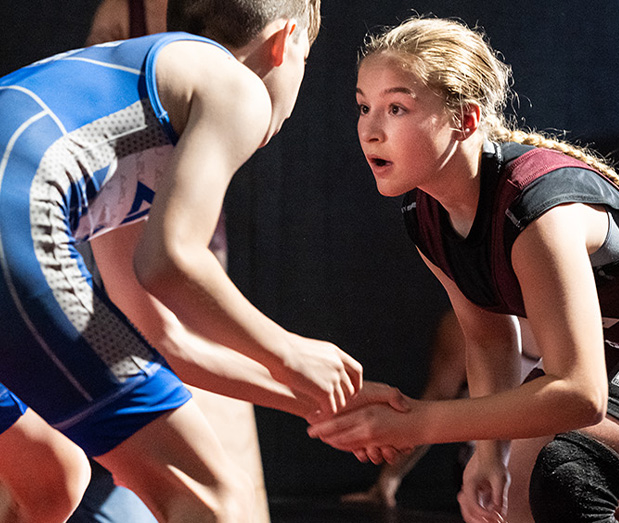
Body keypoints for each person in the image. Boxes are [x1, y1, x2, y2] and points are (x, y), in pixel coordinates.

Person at [0, 0, 412, 520]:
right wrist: (289, 350)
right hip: (13, 232)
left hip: (17, 232)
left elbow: (160, 337)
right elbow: (170, 261)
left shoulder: (129, 103)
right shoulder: (233, 82)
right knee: (211, 499)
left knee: (51, 477)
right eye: (305, 60)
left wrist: (317, 400)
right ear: (283, 43)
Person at [307, 16, 619, 523]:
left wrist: (416, 423)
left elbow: (580, 395)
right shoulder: (425, 214)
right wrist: (488, 454)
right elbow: (491, 340)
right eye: (364, 106)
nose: (370, 128)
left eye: (396, 108)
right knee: (522, 500)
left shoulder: (535, 210)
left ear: (467, 120)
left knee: (571, 473)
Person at [341, 310, 619, 521]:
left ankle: (570, 502)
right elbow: (437, 396)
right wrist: (388, 482)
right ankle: (558, 500)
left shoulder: (578, 313)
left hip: (559, 447)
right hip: (489, 455)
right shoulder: (468, 321)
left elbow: (590, 406)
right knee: (532, 484)